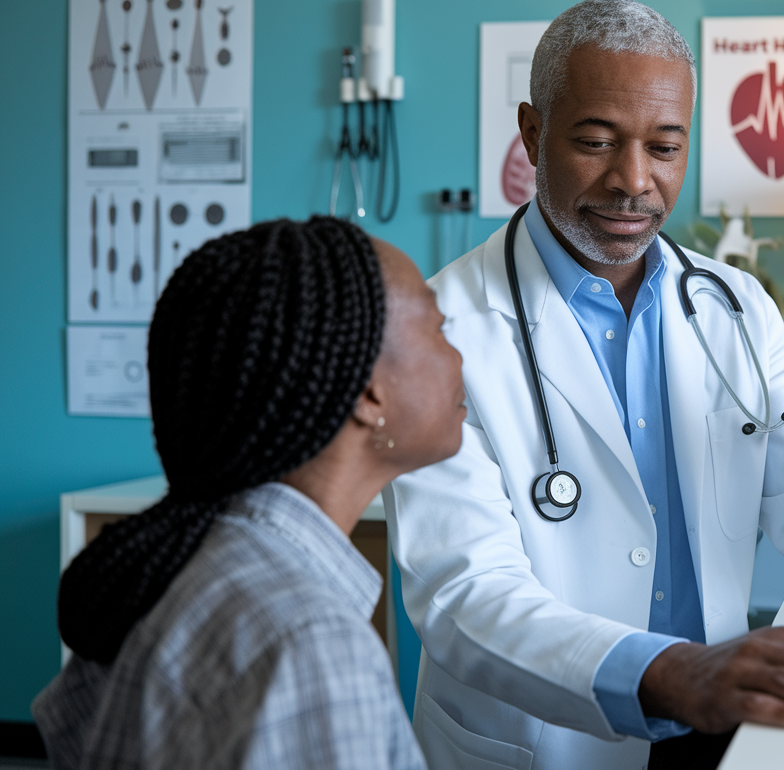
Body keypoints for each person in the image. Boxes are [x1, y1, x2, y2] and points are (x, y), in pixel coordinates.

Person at [387, 0, 784, 770]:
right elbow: (466, 598)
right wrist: (667, 673)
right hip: (548, 743)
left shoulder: (736, 307)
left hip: (717, 728)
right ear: (531, 134)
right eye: (596, 141)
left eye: (665, 147)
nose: (634, 181)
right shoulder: (442, 328)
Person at [33, 217, 466, 769]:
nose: (458, 357)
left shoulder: (178, 568)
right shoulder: (312, 642)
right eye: (439, 328)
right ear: (368, 392)